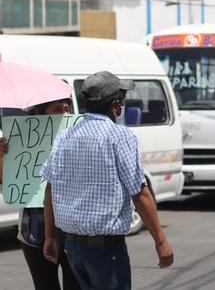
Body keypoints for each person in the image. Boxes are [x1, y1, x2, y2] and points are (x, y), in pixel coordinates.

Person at [41, 71, 174, 290]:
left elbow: (49, 188)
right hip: (104, 250)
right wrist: (161, 241)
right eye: (122, 101)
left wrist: (50, 236)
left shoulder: (65, 135)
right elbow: (140, 193)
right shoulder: (120, 136)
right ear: (116, 106)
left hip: (72, 247)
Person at [0, 99, 81, 290]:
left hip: (73, 233)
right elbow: (8, 183)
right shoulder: (22, 141)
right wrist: (2, 155)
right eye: (57, 109)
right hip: (34, 234)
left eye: (66, 109)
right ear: (41, 115)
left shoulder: (78, 138)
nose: (64, 113)